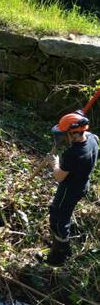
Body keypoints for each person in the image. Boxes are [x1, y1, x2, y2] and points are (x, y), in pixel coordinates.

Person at [46, 112, 98, 266]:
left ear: (73, 134)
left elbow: (59, 177)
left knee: (58, 219)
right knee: (64, 214)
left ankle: (59, 257)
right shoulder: (93, 139)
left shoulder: (73, 154)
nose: (63, 138)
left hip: (69, 189)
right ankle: (62, 245)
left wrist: (54, 163)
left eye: (65, 134)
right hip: (83, 185)